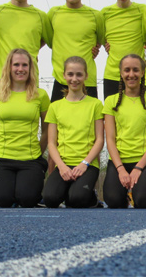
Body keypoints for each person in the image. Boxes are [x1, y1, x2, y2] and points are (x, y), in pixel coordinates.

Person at [0, 49, 50, 208]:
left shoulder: (40, 95)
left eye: (25, 65)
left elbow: (48, 131)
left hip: (31, 159)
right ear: (9, 67)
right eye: (16, 65)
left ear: (30, 68)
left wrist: (37, 152)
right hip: (2, 158)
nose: (20, 69)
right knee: (2, 200)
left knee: (27, 200)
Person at [42, 56, 104, 208]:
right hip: (64, 164)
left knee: (77, 199)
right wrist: (61, 166)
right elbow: (51, 142)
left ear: (86, 76)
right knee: (50, 199)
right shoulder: (55, 107)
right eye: (70, 74)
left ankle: (90, 197)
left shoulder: (95, 104)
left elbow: (100, 140)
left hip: (87, 165)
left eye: (79, 74)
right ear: (64, 75)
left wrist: (84, 164)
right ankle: (68, 191)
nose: (74, 79)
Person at [103, 54, 146, 208]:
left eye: (136, 70)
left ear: (142, 72)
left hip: (142, 162)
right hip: (118, 162)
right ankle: (126, 194)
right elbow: (109, 139)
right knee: (113, 201)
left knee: (143, 201)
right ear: (121, 73)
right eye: (127, 70)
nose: (131, 75)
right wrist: (121, 169)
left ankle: (143, 193)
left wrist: (138, 168)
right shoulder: (111, 101)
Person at [48, 0, 105, 101]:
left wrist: (95, 49)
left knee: (89, 121)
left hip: (87, 81)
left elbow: (101, 40)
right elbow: (50, 41)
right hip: (61, 79)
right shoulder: (53, 14)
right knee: (56, 121)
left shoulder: (95, 15)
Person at [102, 0, 146, 99]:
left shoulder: (143, 11)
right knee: (111, 115)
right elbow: (99, 39)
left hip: (136, 75)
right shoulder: (104, 13)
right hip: (112, 75)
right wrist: (103, 45)